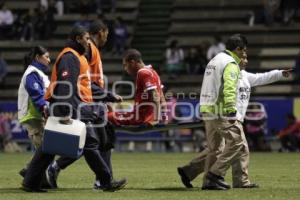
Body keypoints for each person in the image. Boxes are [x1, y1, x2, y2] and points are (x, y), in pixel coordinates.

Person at [21, 26, 124, 192]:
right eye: (87, 39)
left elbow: (86, 86)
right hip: (70, 108)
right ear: (78, 39)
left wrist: (109, 96)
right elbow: (65, 86)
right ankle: (105, 181)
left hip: (74, 106)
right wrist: (67, 111)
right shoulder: (70, 56)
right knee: (79, 144)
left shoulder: (78, 57)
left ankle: (30, 182)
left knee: (54, 146)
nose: (89, 42)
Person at [177, 50, 291, 189]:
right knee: (240, 147)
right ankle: (231, 179)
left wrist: (279, 73)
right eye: (243, 57)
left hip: (219, 114)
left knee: (216, 150)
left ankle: (189, 172)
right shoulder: (229, 71)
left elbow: (262, 77)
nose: (246, 60)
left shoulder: (244, 75)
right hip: (227, 115)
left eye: (246, 57)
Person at [108, 49, 167, 126]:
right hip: (141, 115)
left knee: (105, 117)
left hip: (140, 118)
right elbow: (162, 97)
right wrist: (164, 118)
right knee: (112, 114)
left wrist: (156, 119)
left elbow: (155, 95)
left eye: (125, 65)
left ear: (132, 63)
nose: (125, 69)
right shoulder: (153, 72)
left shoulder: (142, 73)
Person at [18, 46, 51, 149]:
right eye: (47, 57)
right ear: (38, 57)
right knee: (44, 152)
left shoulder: (39, 73)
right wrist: (45, 109)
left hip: (38, 116)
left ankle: (32, 166)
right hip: (33, 116)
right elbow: (36, 94)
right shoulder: (32, 73)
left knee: (44, 153)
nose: (49, 60)